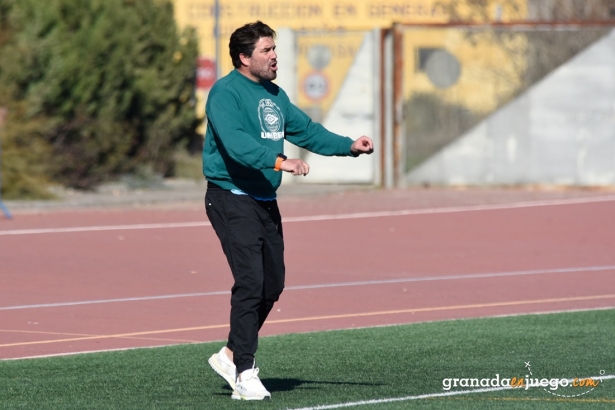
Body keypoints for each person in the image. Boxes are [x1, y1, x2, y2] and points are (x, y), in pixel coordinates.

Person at [203, 21, 374, 401]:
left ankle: (230, 354)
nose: (274, 55)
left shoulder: (275, 96)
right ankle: (244, 373)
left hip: (264, 199)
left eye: (274, 49)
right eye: (266, 50)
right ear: (244, 58)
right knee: (250, 282)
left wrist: (350, 145)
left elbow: (308, 132)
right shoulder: (225, 93)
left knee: (272, 284)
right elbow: (235, 145)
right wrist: (281, 162)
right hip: (231, 197)